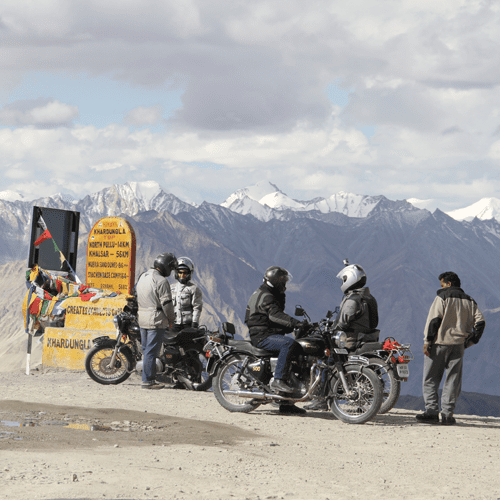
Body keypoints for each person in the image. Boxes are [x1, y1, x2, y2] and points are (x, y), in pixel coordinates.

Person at [305, 261, 379, 411]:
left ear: (350, 279)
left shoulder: (353, 299)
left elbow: (343, 322)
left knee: (326, 361)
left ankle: (321, 399)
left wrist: (332, 329)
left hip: (350, 340)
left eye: (344, 279)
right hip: (366, 337)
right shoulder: (369, 298)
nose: (343, 283)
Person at [416, 272, 485, 425]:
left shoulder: (442, 297)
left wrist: (427, 341)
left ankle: (431, 412)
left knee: (431, 378)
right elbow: (480, 322)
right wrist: (472, 340)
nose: (441, 287)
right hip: (458, 345)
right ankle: (447, 415)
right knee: (453, 379)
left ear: (448, 283)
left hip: (439, 343)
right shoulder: (470, 300)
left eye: (442, 284)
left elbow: (434, 320)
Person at [245, 266, 307, 415]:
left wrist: (295, 326)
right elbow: (275, 316)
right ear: (275, 281)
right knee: (288, 343)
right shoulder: (267, 295)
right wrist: (295, 323)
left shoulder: (271, 293)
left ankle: (286, 403)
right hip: (261, 335)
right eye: (283, 280)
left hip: (267, 331)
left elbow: (274, 319)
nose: (285, 284)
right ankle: (279, 380)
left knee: (296, 350)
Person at [136, 252, 178, 389]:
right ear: (166, 266)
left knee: (146, 350)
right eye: (171, 268)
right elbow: (167, 304)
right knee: (152, 351)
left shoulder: (143, 276)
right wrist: (171, 319)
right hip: (155, 320)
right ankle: (148, 381)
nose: (170, 271)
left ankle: (147, 377)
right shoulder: (161, 281)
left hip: (142, 318)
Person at [170, 257, 203, 332]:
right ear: (176, 273)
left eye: (184, 273)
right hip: (174, 324)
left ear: (189, 273)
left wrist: (194, 323)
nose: (182, 275)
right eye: (180, 272)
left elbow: (197, 307)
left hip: (188, 325)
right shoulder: (171, 288)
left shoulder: (194, 289)